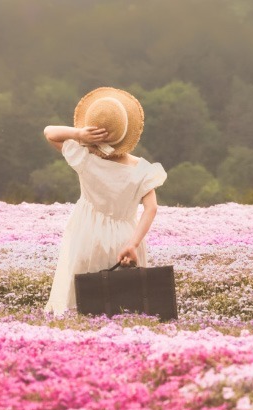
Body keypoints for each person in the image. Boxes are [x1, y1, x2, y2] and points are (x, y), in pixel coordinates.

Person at [42, 87, 167, 316]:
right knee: (127, 301)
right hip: (126, 237)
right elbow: (151, 208)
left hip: (87, 234)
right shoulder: (143, 170)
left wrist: (79, 134)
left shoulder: (85, 158)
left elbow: (49, 132)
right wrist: (133, 244)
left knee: (82, 299)